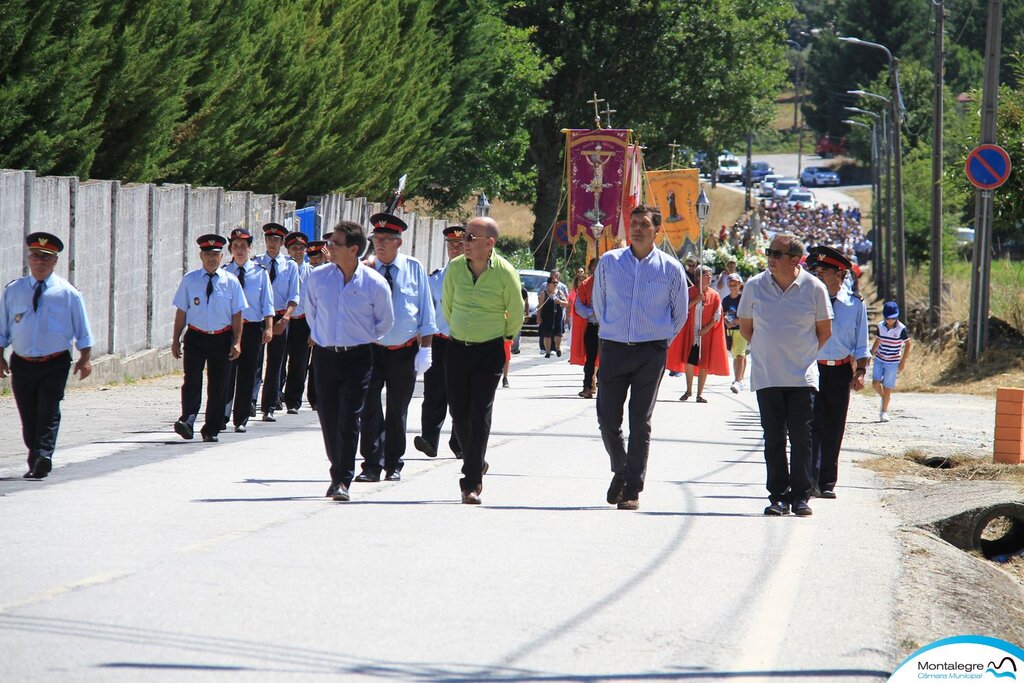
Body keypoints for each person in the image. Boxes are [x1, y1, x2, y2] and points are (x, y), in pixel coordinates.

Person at [593, 205, 689, 511]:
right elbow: (599, 302)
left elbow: (680, 314)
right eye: (633, 223)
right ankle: (620, 469)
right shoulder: (609, 262)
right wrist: (612, 330)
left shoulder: (671, 269)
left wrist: (660, 342)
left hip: (651, 351)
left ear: (656, 231)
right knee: (607, 418)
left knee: (640, 420)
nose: (636, 228)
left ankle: (632, 488)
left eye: (644, 224)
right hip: (614, 347)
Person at [737, 233, 832, 517]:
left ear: (794, 260)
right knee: (773, 438)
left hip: (801, 377)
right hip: (767, 376)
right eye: (769, 252)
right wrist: (769, 351)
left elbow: (824, 332)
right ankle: (778, 496)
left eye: (776, 254)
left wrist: (800, 354)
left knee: (802, 438)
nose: (770, 258)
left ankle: (801, 496)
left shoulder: (814, 288)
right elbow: (746, 328)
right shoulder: (754, 286)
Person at [305, 221, 394, 502]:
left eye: (335, 243)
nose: (328, 247)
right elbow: (312, 314)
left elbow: (385, 322)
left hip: (358, 356)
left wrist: (361, 336)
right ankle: (338, 467)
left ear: (353, 249)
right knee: (328, 416)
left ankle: (342, 479)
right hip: (325, 355)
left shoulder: (374, 283)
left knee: (349, 416)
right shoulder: (318, 278)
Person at [442, 216, 523, 504]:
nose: (464, 242)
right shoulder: (454, 268)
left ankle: (471, 480)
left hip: (489, 350)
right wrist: (461, 330)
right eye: (464, 236)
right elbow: (448, 305)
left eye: (470, 237)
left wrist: (503, 339)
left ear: (490, 243)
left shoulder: (505, 273)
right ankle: (477, 460)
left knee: (479, 412)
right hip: (457, 348)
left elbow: (516, 311)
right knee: (458, 411)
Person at [0, 232, 93, 479]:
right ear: (29, 259)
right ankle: (36, 458)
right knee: (28, 415)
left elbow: (82, 329)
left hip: (55, 362)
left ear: (55, 262)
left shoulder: (68, 293)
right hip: (22, 363)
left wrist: (85, 357)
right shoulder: (14, 290)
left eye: (45, 257)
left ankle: (44, 455)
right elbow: (3, 328)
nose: (39, 261)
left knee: (48, 410)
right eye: (35, 256)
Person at [355, 212, 436, 483]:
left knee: (397, 409)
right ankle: (371, 464)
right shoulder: (364, 270)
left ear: (398, 243)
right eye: (376, 239)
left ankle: (394, 463)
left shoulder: (413, 268)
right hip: (371, 350)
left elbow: (425, 311)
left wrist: (426, 348)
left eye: (386, 240)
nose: (380, 244)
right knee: (368, 408)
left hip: (404, 350)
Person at [807, 246, 869, 499]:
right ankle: (809, 478)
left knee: (834, 426)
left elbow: (861, 342)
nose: (818, 274)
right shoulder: (808, 300)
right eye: (815, 270)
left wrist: (861, 371)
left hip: (840, 371)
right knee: (811, 426)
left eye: (823, 271)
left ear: (840, 274)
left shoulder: (854, 305)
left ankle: (828, 482)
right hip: (812, 369)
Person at [171, 235, 245, 443]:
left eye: (215, 255)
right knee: (192, 380)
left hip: (221, 337)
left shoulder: (231, 282)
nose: (211, 259)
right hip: (195, 336)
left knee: (219, 384)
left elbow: (237, 314)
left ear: (222, 256)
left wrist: (237, 341)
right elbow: (181, 311)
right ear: (200, 256)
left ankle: (211, 428)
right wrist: (176, 339)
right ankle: (188, 419)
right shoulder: (190, 279)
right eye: (207, 254)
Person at [414, 224, 465, 460]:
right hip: (440, 341)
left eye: (459, 244)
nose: (454, 249)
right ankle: (430, 440)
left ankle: (459, 442)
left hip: (465, 343)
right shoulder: (436, 278)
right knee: (434, 393)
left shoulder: (475, 275)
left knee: (461, 395)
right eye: (451, 245)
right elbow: (427, 312)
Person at [222, 228, 273, 433]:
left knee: (247, 373)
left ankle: (241, 417)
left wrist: (269, 327)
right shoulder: (225, 272)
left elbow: (267, 303)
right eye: (235, 246)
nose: (240, 250)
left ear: (250, 248)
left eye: (243, 246)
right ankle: (223, 414)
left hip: (252, 328)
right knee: (227, 373)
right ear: (230, 250)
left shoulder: (260, 272)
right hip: (230, 329)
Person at [254, 222, 299, 422]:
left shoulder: (289, 266)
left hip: (280, 317)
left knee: (275, 363)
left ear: (282, 243)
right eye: (268, 239)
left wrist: (286, 318)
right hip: (259, 318)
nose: (271, 243)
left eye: (275, 240)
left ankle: (269, 406)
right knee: (254, 362)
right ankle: (249, 402)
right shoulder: (256, 264)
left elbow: (294, 296)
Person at [668, 265, 730, 403]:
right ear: (698, 277)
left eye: (709, 275)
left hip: (705, 334)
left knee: (704, 364)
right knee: (689, 361)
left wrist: (706, 329)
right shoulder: (689, 292)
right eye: (706, 275)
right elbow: (681, 309)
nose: (709, 277)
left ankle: (700, 394)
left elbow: (717, 315)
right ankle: (689, 390)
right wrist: (696, 299)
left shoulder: (714, 295)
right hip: (690, 332)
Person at [281, 231, 313, 414]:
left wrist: (314, 330)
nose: (298, 251)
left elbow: (317, 303)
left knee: (299, 363)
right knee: (279, 360)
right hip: (285, 320)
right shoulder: (283, 269)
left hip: (303, 321)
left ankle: (293, 401)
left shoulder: (313, 273)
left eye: (301, 248)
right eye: (294, 248)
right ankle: (277, 394)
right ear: (288, 250)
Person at [871, 301, 911, 423]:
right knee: (875, 383)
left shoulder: (901, 329)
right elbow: (878, 341)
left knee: (887, 387)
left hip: (893, 362)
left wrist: (902, 362)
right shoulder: (880, 326)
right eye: (888, 318)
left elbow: (908, 344)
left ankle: (884, 411)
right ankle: (885, 398)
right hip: (879, 358)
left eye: (893, 318)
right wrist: (870, 353)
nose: (890, 321)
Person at [304, 239, 328, 411]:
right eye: (311, 256)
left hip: (324, 323)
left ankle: (318, 397)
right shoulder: (307, 272)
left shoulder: (328, 272)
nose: (315, 259)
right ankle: (312, 396)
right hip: (307, 320)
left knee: (319, 363)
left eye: (318, 256)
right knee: (306, 361)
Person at [571, 258, 600, 398]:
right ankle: (587, 386)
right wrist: (591, 312)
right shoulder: (585, 285)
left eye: (598, 266)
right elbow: (578, 306)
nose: (595, 269)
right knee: (591, 358)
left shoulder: (612, 283)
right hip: (592, 326)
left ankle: (607, 388)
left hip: (608, 328)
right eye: (593, 266)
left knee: (608, 358)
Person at [721, 273, 748, 393]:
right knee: (736, 354)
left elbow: (747, 313)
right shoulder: (726, 300)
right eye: (730, 284)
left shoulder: (743, 298)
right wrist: (727, 322)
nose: (733, 287)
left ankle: (738, 380)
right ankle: (739, 378)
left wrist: (737, 321)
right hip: (730, 330)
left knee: (740, 354)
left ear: (740, 285)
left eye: (735, 284)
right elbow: (723, 314)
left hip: (741, 329)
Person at [538, 276, 568, 357]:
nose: (555, 284)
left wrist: (560, 301)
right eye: (554, 283)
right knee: (547, 334)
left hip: (557, 316)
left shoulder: (559, 292)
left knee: (558, 334)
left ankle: (557, 348)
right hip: (546, 316)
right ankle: (547, 351)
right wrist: (538, 317)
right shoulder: (543, 293)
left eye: (556, 283)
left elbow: (566, 303)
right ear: (548, 284)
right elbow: (539, 307)